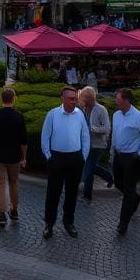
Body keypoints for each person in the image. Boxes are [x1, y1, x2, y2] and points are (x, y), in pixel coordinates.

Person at [40, 86, 90, 239]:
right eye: (70, 98)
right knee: (53, 192)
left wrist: (83, 157)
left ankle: (69, 222)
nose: (73, 101)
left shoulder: (79, 114)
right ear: (62, 98)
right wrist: (49, 156)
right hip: (57, 158)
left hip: (75, 158)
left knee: (72, 192)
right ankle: (49, 223)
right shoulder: (53, 114)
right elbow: (45, 137)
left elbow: (85, 136)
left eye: (75, 98)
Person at [111, 87, 140, 236]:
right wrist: (112, 154)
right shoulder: (116, 115)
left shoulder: (138, 117)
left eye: (118, 99)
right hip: (118, 156)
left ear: (126, 100)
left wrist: (139, 154)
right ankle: (135, 198)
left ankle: (123, 223)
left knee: (128, 191)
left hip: (131, 158)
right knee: (118, 183)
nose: (116, 101)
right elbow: (114, 136)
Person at [0, 88, 28, 227]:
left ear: (1, 99)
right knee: (14, 183)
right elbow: (24, 141)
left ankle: (2, 215)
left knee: (0, 184)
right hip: (15, 156)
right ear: (13, 99)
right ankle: (14, 211)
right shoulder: (19, 116)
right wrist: (24, 157)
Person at [78, 87, 113, 202]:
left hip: (97, 146)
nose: (81, 99)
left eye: (83, 97)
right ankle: (109, 177)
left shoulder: (101, 110)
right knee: (91, 168)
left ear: (88, 98)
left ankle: (87, 197)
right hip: (87, 145)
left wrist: (93, 129)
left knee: (88, 170)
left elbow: (107, 128)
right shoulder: (84, 108)